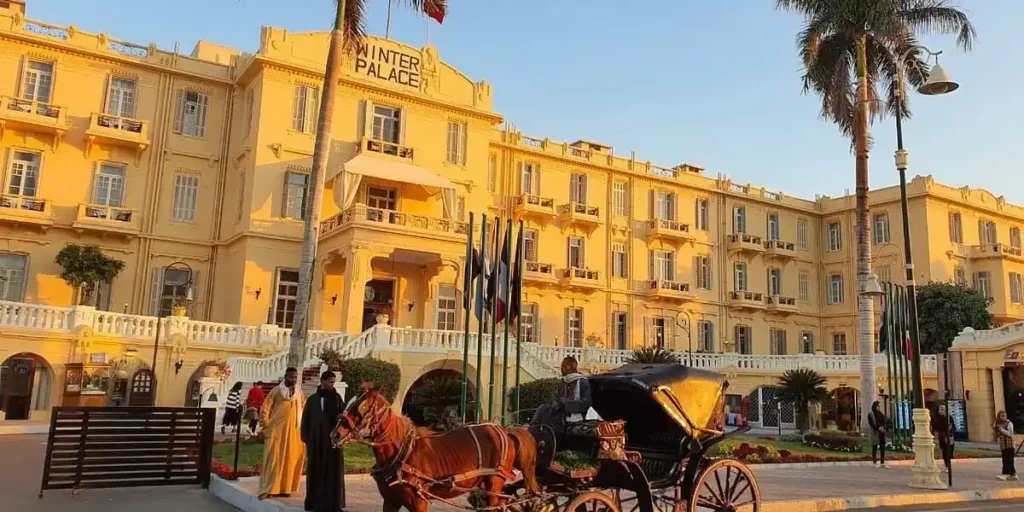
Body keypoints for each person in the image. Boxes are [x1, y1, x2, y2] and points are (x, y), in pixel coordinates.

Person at [301, 371, 346, 512]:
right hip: (315, 442)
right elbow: (305, 420)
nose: (332, 384)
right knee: (315, 471)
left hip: (332, 443)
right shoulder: (312, 400)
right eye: (330, 381)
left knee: (333, 472)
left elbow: (345, 419)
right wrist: (306, 438)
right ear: (322, 381)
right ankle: (314, 503)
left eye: (333, 382)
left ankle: (334, 504)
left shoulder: (337, 398)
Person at [258, 368, 306, 499]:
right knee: (274, 459)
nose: (293, 380)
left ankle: (285, 488)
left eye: (295, 377)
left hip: (294, 432)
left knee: (290, 460)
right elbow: (265, 409)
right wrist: (267, 426)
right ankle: (270, 489)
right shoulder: (276, 391)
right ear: (285, 376)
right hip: (277, 431)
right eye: (291, 377)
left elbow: (303, 408)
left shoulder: (299, 392)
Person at [530, 356, 592, 436]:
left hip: (576, 418)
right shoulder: (563, 382)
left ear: (573, 367)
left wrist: (566, 404)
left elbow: (587, 403)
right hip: (560, 416)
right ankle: (532, 432)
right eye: (561, 366)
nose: (562, 369)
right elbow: (556, 397)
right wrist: (555, 403)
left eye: (564, 366)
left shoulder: (583, 382)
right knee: (543, 408)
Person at [994, 410, 1017, 481]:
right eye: (1002, 416)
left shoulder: (1009, 423)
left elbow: (1010, 434)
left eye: (1005, 415)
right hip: (1003, 445)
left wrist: (1001, 430)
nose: (1004, 417)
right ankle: (1005, 473)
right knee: (1005, 460)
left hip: (1009, 444)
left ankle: (1012, 474)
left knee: (1009, 459)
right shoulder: (998, 424)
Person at [867, 401, 887, 468]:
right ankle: (874, 462)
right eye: (878, 406)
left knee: (882, 448)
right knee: (874, 447)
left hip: (881, 433)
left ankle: (882, 462)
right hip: (875, 433)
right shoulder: (871, 414)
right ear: (875, 406)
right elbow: (871, 424)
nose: (879, 407)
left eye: (879, 406)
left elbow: (884, 422)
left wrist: (883, 428)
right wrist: (878, 428)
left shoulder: (881, 414)